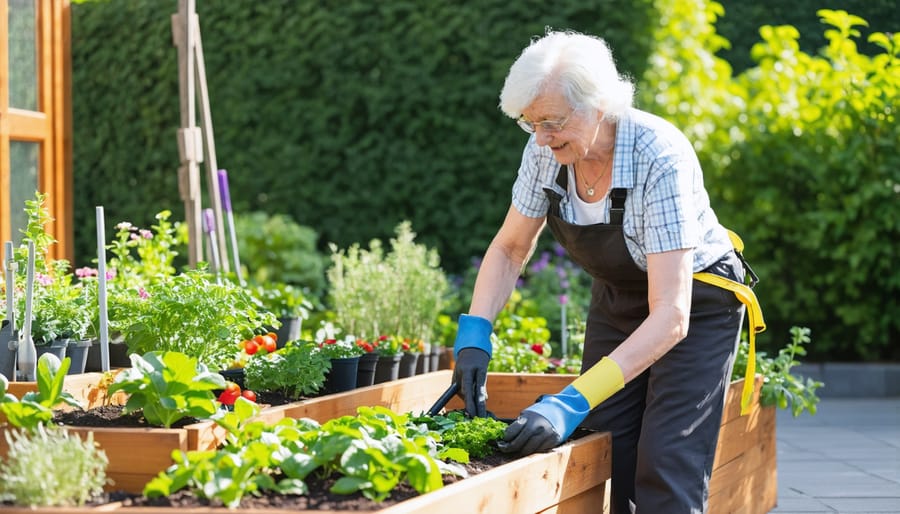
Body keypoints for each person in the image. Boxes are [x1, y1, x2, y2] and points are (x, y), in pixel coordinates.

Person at [451, 30, 754, 514]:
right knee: (605, 446)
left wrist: (569, 400)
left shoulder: (658, 154)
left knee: (666, 460)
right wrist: (474, 334)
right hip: (619, 297)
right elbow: (510, 248)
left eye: (552, 122)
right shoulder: (544, 153)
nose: (543, 138)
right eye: (531, 124)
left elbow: (672, 315)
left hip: (696, 304)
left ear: (598, 104)